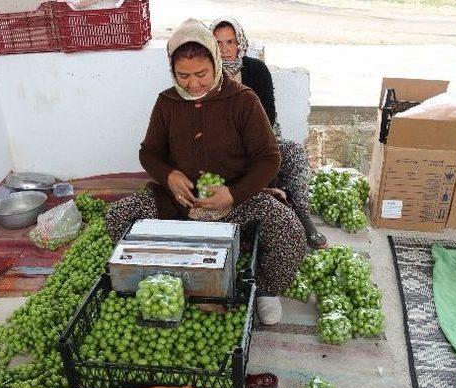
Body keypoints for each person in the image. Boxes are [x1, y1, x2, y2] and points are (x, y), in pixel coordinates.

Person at [105, 18, 307, 325]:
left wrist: (233, 193)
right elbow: (149, 152)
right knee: (117, 216)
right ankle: (174, 278)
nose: (193, 84)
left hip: (235, 199)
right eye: (182, 75)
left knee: (290, 232)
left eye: (201, 73)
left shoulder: (243, 100)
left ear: (215, 62)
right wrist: (169, 176)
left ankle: (265, 289)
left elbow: (269, 158)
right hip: (182, 202)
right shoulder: (167, 102)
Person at [210, 17, 328, 249]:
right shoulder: (207, 74)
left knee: (292, 152)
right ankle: (255, 222)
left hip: (260, 137)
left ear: (239, 43)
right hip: (223, 146)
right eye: (218, 43)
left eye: (230, 42)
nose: (224, 50)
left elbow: (269, 114)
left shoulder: (256, 70)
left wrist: (253, 140)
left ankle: (304, 218)